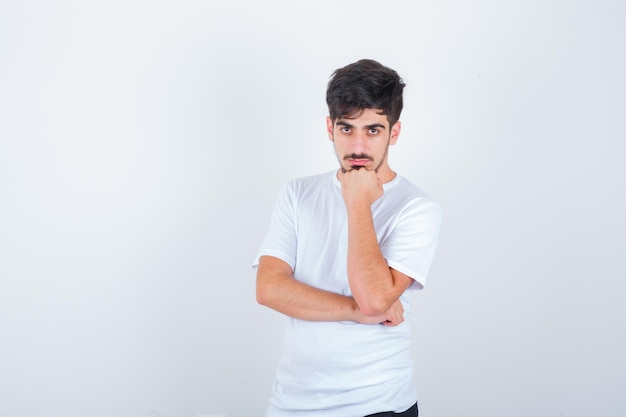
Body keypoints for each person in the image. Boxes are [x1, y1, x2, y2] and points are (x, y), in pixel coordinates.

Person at [253, 59, 442, 417]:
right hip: (291, 404)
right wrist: (358, 312)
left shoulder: (417, 208)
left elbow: (373, 299)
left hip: (376, 405)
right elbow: (269, 289)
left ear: (394, 133)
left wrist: (357, 203)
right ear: (330, 127)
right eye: (346, 129)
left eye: (373, 130)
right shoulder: (297, 194)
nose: (357, 146)